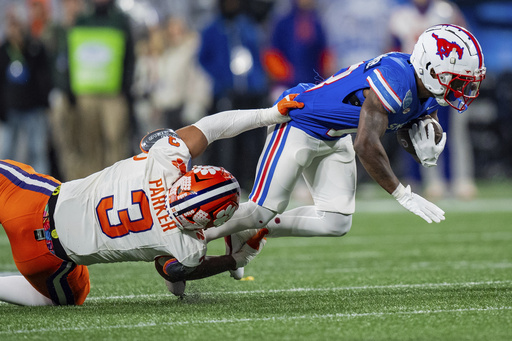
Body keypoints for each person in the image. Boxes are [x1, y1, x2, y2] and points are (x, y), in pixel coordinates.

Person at [204, 24, 486, 279]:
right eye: (458, 80)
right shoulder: (396, 78)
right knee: (260, 209)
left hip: (335, 135)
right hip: (300, 120)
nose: (463, 88)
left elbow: (411, 122)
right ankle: (191, 233)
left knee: (336, 221)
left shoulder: (427, 90)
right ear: (432, 69)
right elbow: (365, 144)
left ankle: (256, 231)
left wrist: (427, 148)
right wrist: (403, 194)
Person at [0, 95, 304, 306]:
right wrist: (236, 260)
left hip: (32, 202)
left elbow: (211, 127)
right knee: (67, 298)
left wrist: (269, 115)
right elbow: (173, 277)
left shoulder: (165, 162)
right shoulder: (187, 248)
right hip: (46, 260)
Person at [389, 0, 478, 200]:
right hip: (412, 81)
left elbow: (464, 45)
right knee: (410, 131)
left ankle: (455, 178)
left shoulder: (445, 11)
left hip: (444, 80)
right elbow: (392, 52)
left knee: (448, 130)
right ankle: (417, 180)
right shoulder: (400, 16)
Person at [67, 0, 136, 178]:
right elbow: (72, 54)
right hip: (86, 93)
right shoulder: (81, 20)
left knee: (116, 141)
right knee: (90, 144)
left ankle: (118, 185)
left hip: (114, 94)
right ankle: (93, 189)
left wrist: (126, 87)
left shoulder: (121, 20)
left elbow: (130, 56)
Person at [0, 4, 52, 174]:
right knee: (6, 153)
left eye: (17, 24)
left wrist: (45, 103)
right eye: (11, 25)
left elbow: (44, 76)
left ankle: (45, 191)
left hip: (33, 108)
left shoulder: (35, 47)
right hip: (10, 110)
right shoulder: (2, 51)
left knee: (37, 151)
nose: (14, 29)